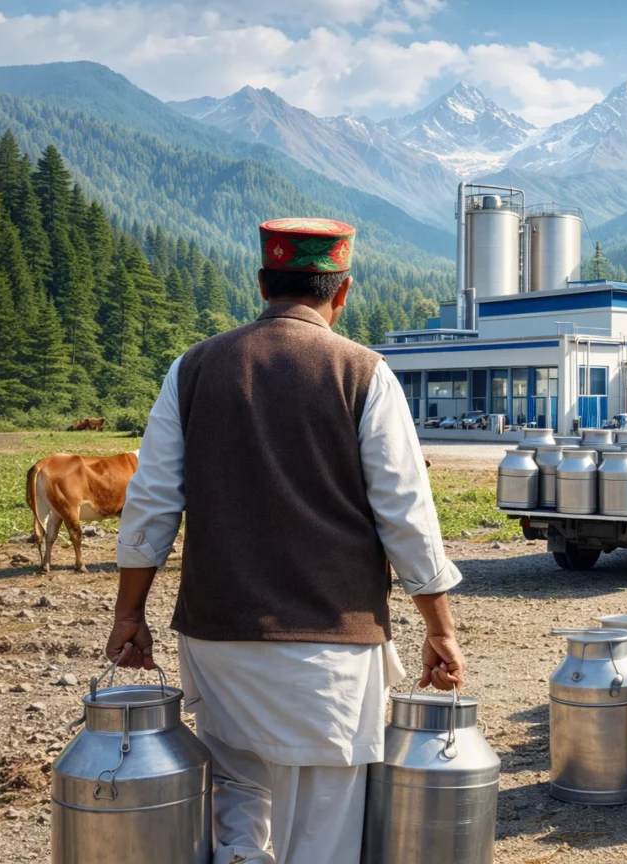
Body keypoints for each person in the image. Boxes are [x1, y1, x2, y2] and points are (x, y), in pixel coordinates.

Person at [105, 217, 465, 864]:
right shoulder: (364, 373)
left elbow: (151, 503)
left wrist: (129, 614)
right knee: (322, 834)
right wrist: (439, 626)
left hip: (219, 644)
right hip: (331, 649)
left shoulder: (192, 370)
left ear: (264, 283)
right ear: (343, 291)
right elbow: (407, 515)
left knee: (238, 806)